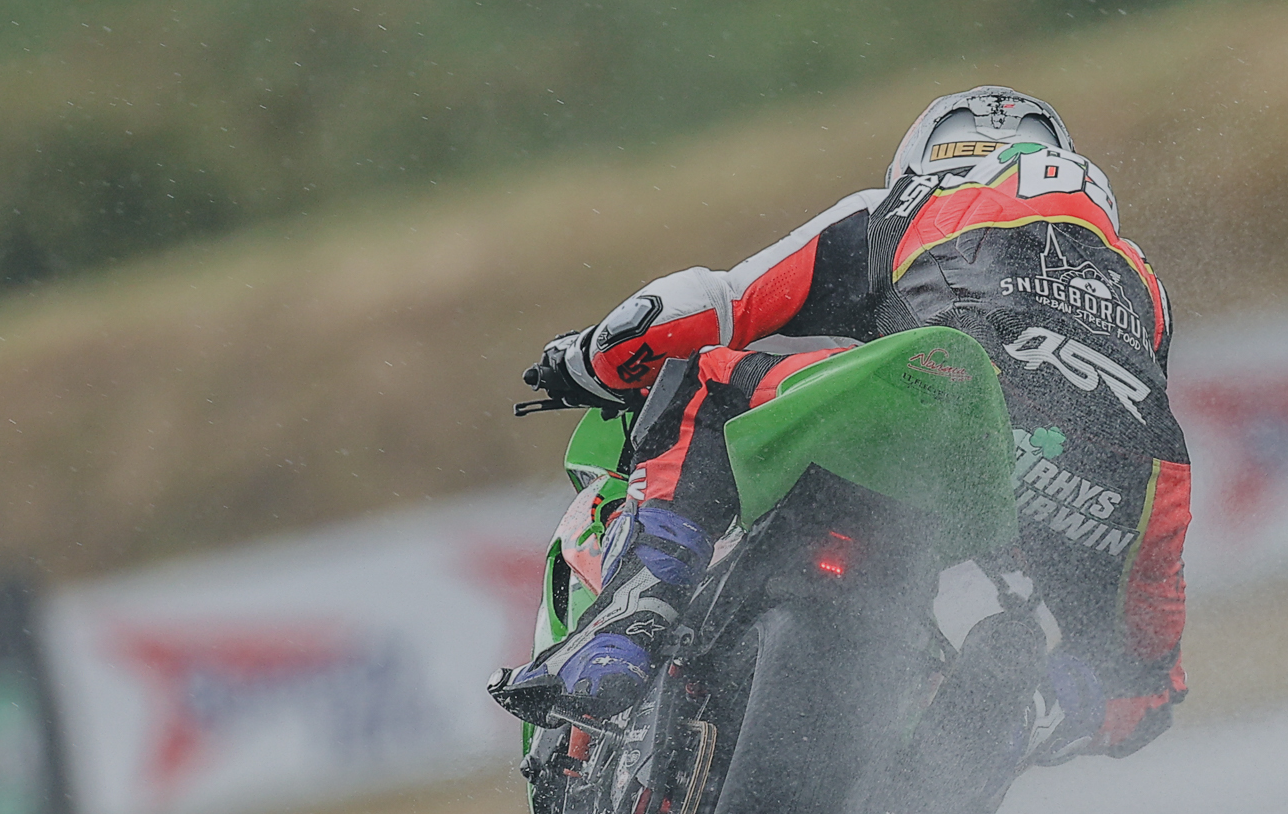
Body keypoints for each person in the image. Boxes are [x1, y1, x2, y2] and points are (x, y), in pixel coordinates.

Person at [489, 87, 1190, 776]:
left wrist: (584, 359)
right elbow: (1137, 393)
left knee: (704, 383)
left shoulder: (909, 203)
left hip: (946, 388)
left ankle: (631, 621)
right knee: (1139, 677)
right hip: (1133, 477)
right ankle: (1019, 718)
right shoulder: (1143, 282)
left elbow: (709, 305)